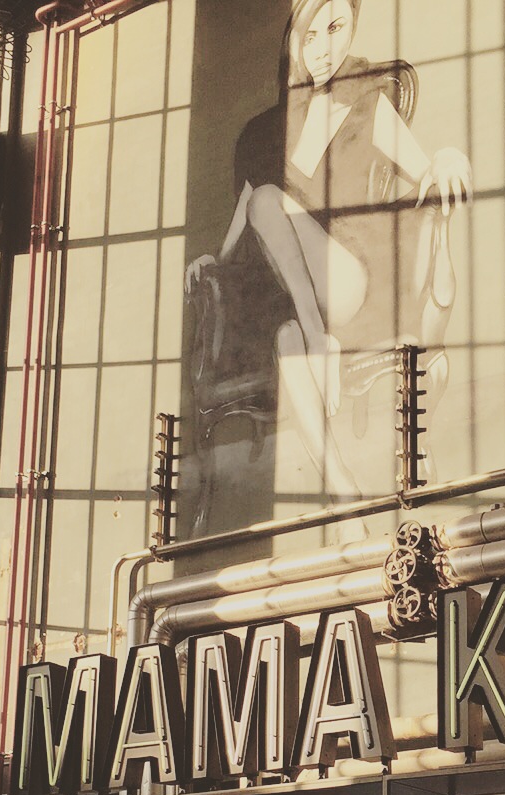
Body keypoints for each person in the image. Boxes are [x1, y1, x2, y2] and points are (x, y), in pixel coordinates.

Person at [185, 0, 471, 498]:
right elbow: (246, 220)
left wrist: (447, 158)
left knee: (270, 202)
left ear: (352, 28)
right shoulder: (263, 131)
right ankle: (344, 495)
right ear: (294, 44)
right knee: (286, 340)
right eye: (310, 36)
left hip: (350, 276)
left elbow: (425, 169)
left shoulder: (366, 105)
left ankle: (320, 338)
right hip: (295, 301)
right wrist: (214, 261)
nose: (323, 49)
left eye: (335, 28)